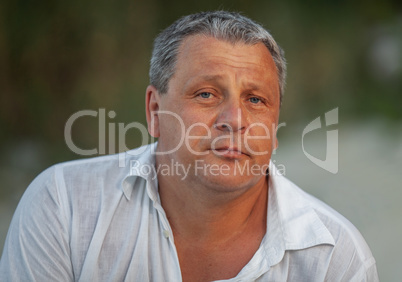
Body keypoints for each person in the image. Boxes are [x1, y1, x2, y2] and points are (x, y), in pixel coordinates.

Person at [0, 11, 378, 281]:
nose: (235, 119)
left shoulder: (335, 261)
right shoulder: (63, 209)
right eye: (206, 94)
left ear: (275, 128)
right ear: (153, 110)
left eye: (256, 100)